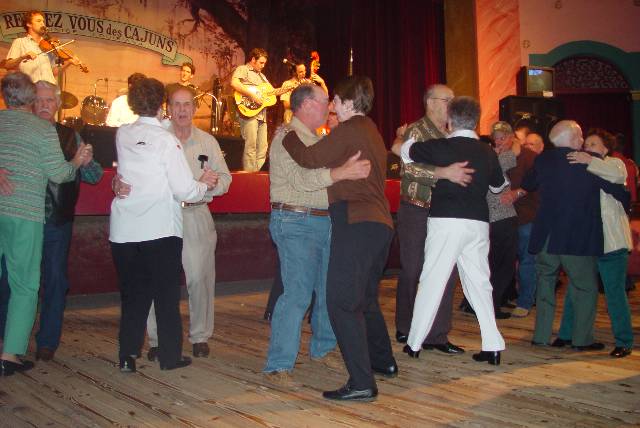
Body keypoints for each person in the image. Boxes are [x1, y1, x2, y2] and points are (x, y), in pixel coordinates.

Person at [282, 75, 396, 402]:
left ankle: (362, 382)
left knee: (341, 303)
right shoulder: (371, 130)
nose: (332, 106)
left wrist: (288, 134)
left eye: (334, 101)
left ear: (346, 102)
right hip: (379, 224)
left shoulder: (349, 130)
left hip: (357, 221)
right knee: (364, 299)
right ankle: (382, 362)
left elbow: (308, 158)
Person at [265, 83, 374, 384]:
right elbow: (302, 180)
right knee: (298, 294)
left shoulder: (315, 139)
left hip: (323, 222)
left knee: (328, 291)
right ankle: (279, 364)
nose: (329, 107)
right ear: (307, 104)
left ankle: (323, 349)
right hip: (295, 220)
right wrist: (342, 173)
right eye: (326, 101)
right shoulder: (286, 137)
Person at [109, 77, 219, 373]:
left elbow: (129, 175)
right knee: (166, 296)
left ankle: (127, 355)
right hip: (158, 230)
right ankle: (170, 357)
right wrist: (203, 184)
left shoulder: (123, 134)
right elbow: (184, 190)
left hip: (124, 230)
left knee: (133, 297)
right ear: (162, 105)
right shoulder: (166, 140)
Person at [401, 96, 508, 366]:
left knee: (432, 280)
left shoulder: (442, 146)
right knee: (480, 284)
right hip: (478, 224)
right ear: (476, 121)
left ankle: (414, 344)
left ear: (449, 120)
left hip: (446, 221)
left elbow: (406, 152)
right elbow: (499, 186)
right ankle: (493, 346)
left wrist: (405, 137)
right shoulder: (487, 152)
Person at [0, 71, 89, 376]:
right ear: (29, 99)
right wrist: (76, 162)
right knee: (24, 285)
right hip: (25, 214)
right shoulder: (41, 130)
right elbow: (58, 174)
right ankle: (10, 354)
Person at [521, 120, 629, 350]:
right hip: (575, 236)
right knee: (585, 288)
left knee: (546, 285)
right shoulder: (587, 163)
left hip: (545, 236)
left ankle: (540, 336)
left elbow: (528, 183)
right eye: (580, 138)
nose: (583, 142)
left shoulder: (543, 159)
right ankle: (582, 340)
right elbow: (619, 190)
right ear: (572, 138)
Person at [143, 86, 232, 360]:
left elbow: (226, 180)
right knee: (158, 278)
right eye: (176, 104)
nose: (182, 110)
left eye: (187, 105)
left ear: (195, 109)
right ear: (168, 108)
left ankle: (200, 335)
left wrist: (210, 185)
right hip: (162, 215)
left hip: (197, 215)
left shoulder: (208, 142)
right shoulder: (157, 139)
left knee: (199, 278)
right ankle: (157, 339)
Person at [392, 84, 472, 355]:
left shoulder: (452, 134)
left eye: (453, 99)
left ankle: (437, 335)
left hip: (444, 212)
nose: (451, 103)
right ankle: (407, 325)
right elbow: (408, 168)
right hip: (416, 208)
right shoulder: (416, 130)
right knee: (413, 269)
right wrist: (444, 173)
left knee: (444, 272)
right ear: (430, 102)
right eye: (446, 99)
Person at [32, 80, 103, 361]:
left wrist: (86, 162)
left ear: (58, 104)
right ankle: (8, 338)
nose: (44, 105)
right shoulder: (19, 132)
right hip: (22, 218)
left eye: (49, 100)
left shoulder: (71, 135)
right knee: (11, 281)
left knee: (55, 281)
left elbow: (95, 176)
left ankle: (47, 341)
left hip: (56, 221)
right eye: (38, 100)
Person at [554, 129, 633, 358]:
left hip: (612, 242)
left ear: (605, 148)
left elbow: (617, 176)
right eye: (586, 144)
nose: (587, 148)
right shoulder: (582, 170)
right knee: (576, 289)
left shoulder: (614, 163)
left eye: (593, 144)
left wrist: (589, 161)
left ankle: (624, 340)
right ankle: (566, 334)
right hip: (587, 241)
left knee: (614, 293)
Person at [500, 133, 541, 318]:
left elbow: (537, 183)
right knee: (508, 260)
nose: (499, 141)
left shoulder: (529, 157)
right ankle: (512, 297)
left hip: (525, 217)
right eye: (496, 137)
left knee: (526, 261)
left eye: (503, 137)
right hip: (504, 218)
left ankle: (525, 301)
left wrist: (517, 193)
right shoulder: (500, 155)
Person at [3, 10, 80, 84]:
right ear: (28, 24)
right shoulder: (20, 42)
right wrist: (22, 57)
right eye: (38, 21)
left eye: (43, 21)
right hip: (30, 91)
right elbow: (8, 65)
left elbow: (53, 72)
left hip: (49, 91)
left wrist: (68, 62)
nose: (43, 24)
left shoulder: (49, 45)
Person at [231, 48, 271, 171]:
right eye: (261, 63)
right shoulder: (243, 69)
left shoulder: (262, 76)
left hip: (262, 116)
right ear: (253, 59)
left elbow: (271, 93)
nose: (263, 66)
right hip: (249, 114)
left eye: (264, 63)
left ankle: (257, 176)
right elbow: (234, 83)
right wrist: (251, 95)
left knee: (263, 148)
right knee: (250, 146)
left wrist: (287, 89)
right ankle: (249, 178)